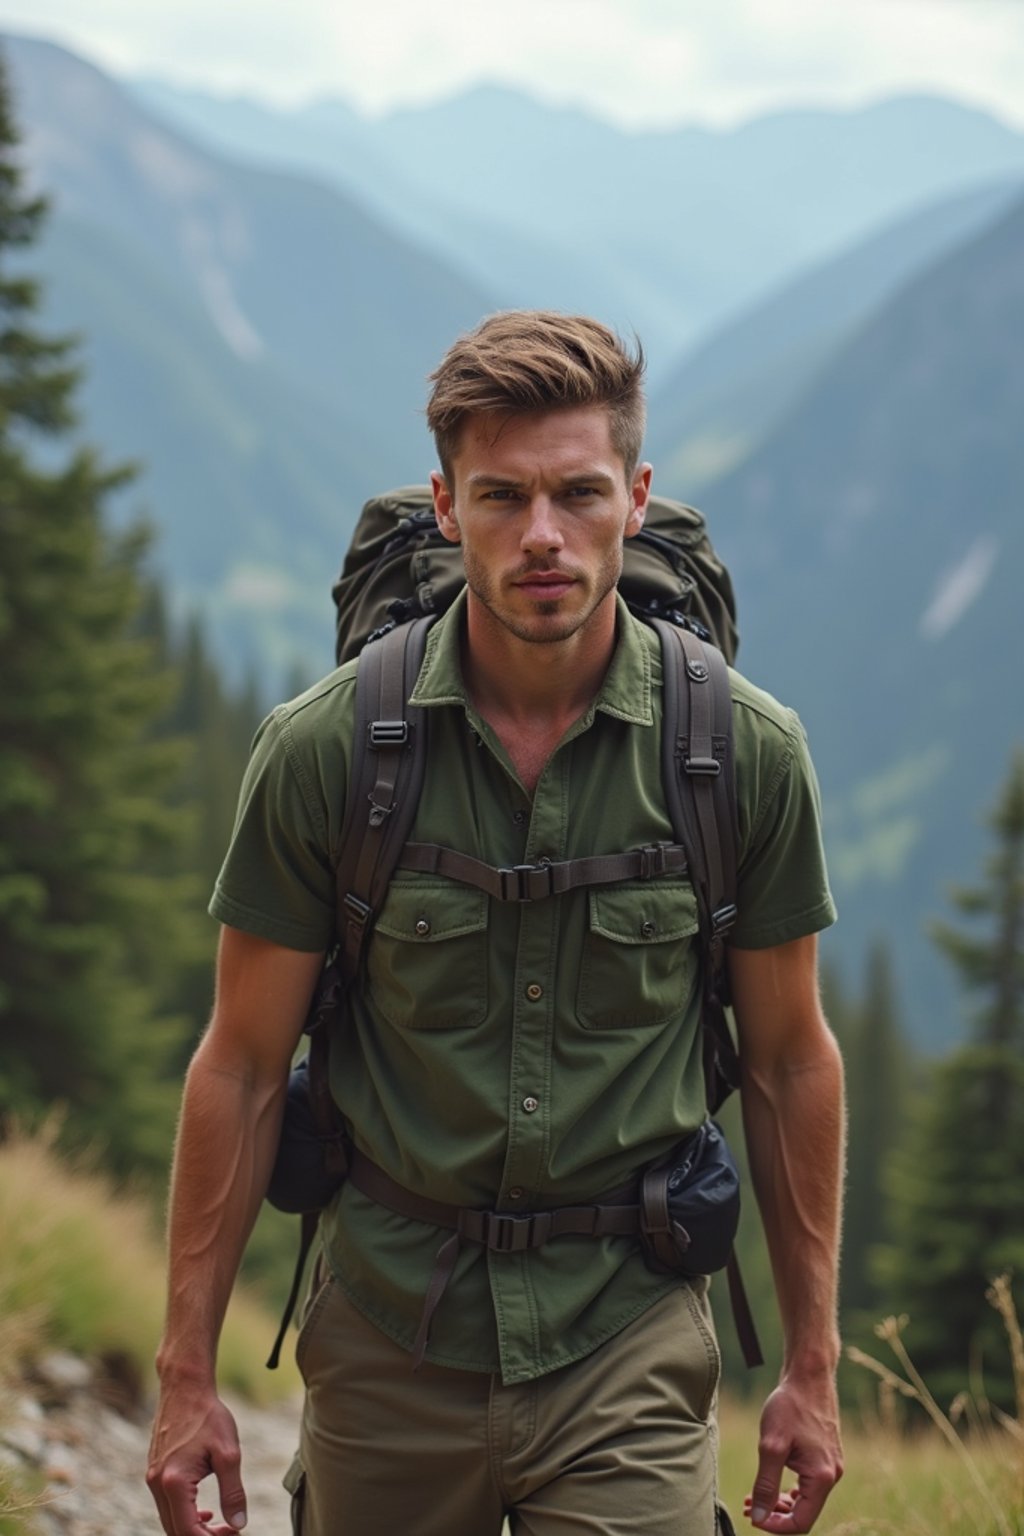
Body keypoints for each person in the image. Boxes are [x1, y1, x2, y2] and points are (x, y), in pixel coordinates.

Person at [147, 311, 844, 1536]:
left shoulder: (739, 755)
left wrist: (813, 1368)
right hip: (386, 1337)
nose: (541, 538)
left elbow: (790, 1061)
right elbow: (244, 1066)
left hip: (627, 1332)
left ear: (634, 499)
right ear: (443, 504)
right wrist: (184, 1378)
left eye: (577, 494)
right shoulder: (326, 754)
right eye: (500, 496)